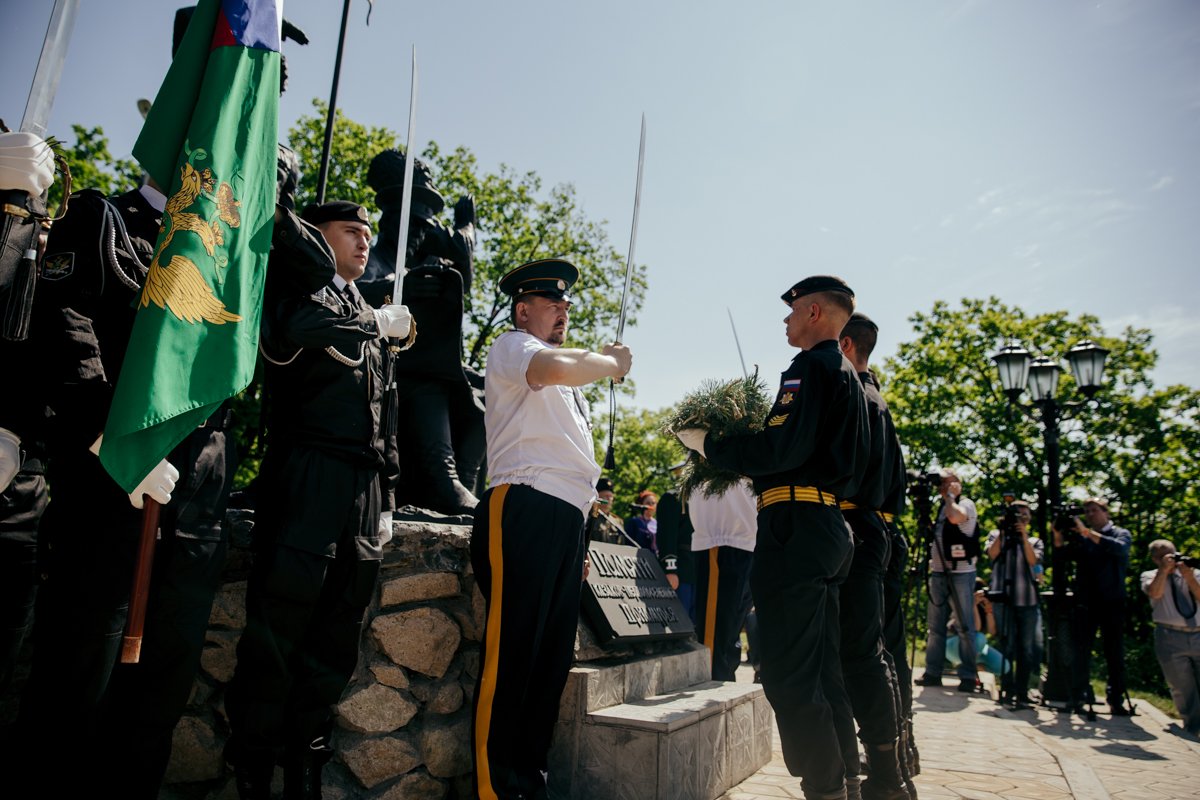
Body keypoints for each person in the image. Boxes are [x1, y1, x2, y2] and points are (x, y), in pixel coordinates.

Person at [222, 200, 412, 799]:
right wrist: (374, 326)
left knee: (336, 634)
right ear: (315, 237)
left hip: (361, 487)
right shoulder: (300, 294)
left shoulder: (369, 311)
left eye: (366, 233)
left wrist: (388, 492)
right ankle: (253, 770)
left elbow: (386, 413)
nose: (363, 241)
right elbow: (291, 331)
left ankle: (304, 768)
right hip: (307, 475)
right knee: (279, 628)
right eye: (348, 232)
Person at [676, 274, 869, 800]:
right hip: (829, 526)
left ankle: (824, 788)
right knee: (825, 668)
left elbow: (780, 450)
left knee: (787, 672)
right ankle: (846, 778)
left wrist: (712, 445)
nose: (785, 321)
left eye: (791, 312)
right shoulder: (851, 375)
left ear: (812, 313)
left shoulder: (809, 368)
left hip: (795, 529)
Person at [470, 257, 631, 800]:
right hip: (524, 504)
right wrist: (609, 362)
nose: (564, 309)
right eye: (552, 302)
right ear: (524, 309)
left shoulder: (565, 373)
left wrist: (579, 536)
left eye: (566, 303)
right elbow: (556, 368)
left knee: (549, 662)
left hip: (564, 518)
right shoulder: (514, 347)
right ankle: (496, 789)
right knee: (514, 653)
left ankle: (528, 782)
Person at [359, 149, 482, 515]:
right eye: (413, 226)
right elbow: (353, 294)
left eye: (425, 229)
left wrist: (467, 232)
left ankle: (464, 481)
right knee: (430, 384)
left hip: (421, 367)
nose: (420, 236)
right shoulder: (373, 261)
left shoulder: (427, 268)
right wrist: (400, 287)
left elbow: (466, 282)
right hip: (376, 368)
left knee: (484, 393)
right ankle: (441, 478)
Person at [837, 312, 909, 800]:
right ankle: (897, 762)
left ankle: (885, 774)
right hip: (883, 531)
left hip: (858, 533)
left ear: (843, 346)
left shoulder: (857, 398)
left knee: (860, 656)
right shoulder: (876, 396)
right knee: (883, 654)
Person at [1053, 497, 1133, 715]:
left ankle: (1116, 698)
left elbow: (1119, 550)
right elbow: (1062, 559)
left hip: (1112, 602)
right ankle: (1078, 696)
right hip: (1086, 602)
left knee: (1114, 652)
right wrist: (1058, 537)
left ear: (1106, 512)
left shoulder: (1119, 534)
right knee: (1081, 651)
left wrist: (1087, 533)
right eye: (1086, 511)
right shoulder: (1083, 540)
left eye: (1094, 510)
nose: (1090, 515)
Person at [916, 469, 981, 693]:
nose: (942, 485)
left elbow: (956, 517)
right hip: (939, 573)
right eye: (940, 482)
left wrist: (950, 496)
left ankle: (968, 675)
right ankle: (933, 672)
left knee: (964, 626)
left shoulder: (965, 504)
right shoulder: (943, 507)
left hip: (961, 573)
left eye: (946, 481)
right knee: (935, 627)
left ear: (957, 483)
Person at [687, 477, 756, 681]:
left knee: (732, 631)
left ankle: (724, 679)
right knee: (717, 634)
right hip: (722, 537)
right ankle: (713, 681)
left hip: (751, 540)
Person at [984, 500, 1044, 707]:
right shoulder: (996, 535)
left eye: (1025, 515)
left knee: (1026, 648)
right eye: (1018, 515)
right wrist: (1003, 530)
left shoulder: (1035, 541)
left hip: (1027, 600)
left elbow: (1033, 562)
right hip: (1003, 599)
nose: (1021, 518)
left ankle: (1022, 691)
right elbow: (992, 554)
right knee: (1006, 645)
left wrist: (1023, 536)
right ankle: (1007, 688)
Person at [1141, 539, 1200, 737]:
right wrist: (1164, 571)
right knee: (1182, 685)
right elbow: (1155, 593)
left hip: (1198, 632)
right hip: (1169, 635)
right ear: (1155, 559)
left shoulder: (1195, 573)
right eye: (1164, 556)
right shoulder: (1150, 575)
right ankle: (1192, 727)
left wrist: (1189, 577)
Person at [656, 461, 696, 621]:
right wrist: (670, 569)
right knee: (680, 619)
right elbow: (667, 536)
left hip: (698, 567)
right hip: (682, 568)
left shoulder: (703, 500)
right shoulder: (672, 498)